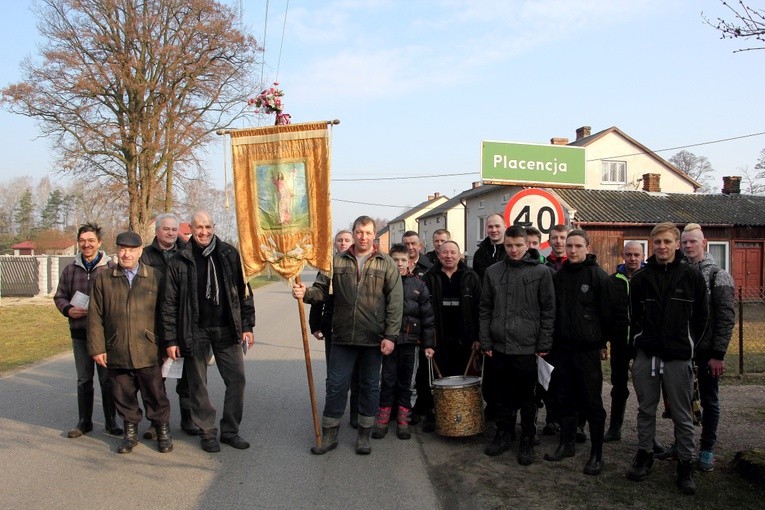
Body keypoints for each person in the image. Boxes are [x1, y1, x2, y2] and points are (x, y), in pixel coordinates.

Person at [292, 216, 403, 455]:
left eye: (368, 232)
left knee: (370, 387)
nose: (363, 236)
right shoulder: (336, 262)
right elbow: (321, 292)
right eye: (359, 232)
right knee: (336, 386)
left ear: (375, 235)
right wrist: (306, 292)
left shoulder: (386, 264)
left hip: (374, 339)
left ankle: (364, 436)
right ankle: (330, 435)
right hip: (342, 337)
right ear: (353, 233)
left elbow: (395, 304)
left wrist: (390, 336)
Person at [162, 211, 256, 453]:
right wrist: (171, 339)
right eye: (198, 227)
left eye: (207, 227)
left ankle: (230, 431)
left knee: (237, 380)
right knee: (198, 385)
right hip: (195, 331)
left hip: (227, 328)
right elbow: (169, 304)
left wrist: (247, 325)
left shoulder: (228, 254)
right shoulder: (180, 259)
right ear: (190, 229)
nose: (203, 232)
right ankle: (207, 432)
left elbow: (244, 291)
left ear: (214, 227)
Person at [627, 222, 708, 495]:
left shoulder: (692, 277)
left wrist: (688, 346)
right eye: (657, 242)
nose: (662, 247)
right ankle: (644, 454)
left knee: (683, 415)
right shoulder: (640, 278)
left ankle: (686, 463)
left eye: (667, 242)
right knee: (645, 410)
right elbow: (633, 317)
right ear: (652, 244)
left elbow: (702, 319)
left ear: (677, 244)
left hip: (677, 357)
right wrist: (638, 344)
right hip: (646, 354)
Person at [88, 231, 172, 454]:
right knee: (123, 394)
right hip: (118, 348)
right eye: (122, 249)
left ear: (140, 251)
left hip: (148, 347)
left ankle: (162, 431)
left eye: (132, 250)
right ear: (117, 251)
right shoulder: (104, 279)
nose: (126, 254)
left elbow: (165, 313)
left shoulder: (155, 276)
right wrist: (97, 348)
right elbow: (95, 316)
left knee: (155, 393)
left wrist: (166, 344)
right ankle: (130, 433)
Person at [480, 226, 554, 465]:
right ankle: (504, 433)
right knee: (501, 394)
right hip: (499, 346)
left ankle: (528, 438)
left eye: (518, 245)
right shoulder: (493, 272)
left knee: (527, 397)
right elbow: (485, 309)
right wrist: (486, 341)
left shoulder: (541, 272)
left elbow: (548, 310)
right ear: (504, 245)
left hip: (527, 346)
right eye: (509, 246)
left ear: (527, 245)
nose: (514, 250)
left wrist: (543, 342)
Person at [544, 229, 610, 476]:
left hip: (587, 350)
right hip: (562, 349)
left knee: (591, 402)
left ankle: (596, 454)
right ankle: (566, 443)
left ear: (587, 247)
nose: (572, 250)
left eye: (577, 246)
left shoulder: (598, 277)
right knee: (564, 398)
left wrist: (602, 343)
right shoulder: (559, 277)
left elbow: (607, 314)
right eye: (569, 246)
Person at [53, 222, 122, 439]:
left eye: (91, 240)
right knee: (84, 379)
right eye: (82, 241)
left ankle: (111, 421)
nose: (86, 244)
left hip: (103, 335)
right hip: (80, 333)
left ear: (99, 243)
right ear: (78, 243)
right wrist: (68, 309)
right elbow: (59, 296)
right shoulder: (70, 269)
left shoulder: (111, 269)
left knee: (106, 379)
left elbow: (120, 299)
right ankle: (84, 422)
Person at [139, 213, 201, 440]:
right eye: (166, 229)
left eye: (174, 229)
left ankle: (187, 418)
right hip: (153, 323)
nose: (171, 233)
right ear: (157, 231)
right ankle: (157, 422)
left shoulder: (188, 253)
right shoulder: (145, 256)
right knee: (156, 378)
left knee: (185, 377)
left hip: (183, 322)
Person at [681, 223, 734, 471]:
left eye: (693, 241)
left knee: (709, 401)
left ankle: (706, 449)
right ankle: (682, 445)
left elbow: (725, 317)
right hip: (682, 350)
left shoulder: (718, 275)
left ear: (704, 243)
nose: (688, 246)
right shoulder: (678, 272)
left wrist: (718, 354)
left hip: (707, 352)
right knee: (681, 402)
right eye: (685, 242)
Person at [373, 243, 435, 440]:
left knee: (406, 381)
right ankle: (383, 419)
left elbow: (427, 318)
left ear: (410, 262)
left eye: (403, 260)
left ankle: (403, 420)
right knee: (387, 380)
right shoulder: (381, 284)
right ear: (389, 261)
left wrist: (428, 344)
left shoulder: (419, 286)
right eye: (395, 260)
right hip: (388, 342)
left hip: (410, 341)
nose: (399, 264)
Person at [419, 240, 482, 432]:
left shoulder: (471, 276)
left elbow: (480, 308)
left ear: (459, 255)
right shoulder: (430, 277)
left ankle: (464, 417)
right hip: (438, 337)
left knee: (462, 379)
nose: (448, 256)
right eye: (444, 252)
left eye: (453, 252)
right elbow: (423, 308)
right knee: (435, 379)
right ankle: (434, 415)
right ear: (438, 255)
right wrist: (425, 338)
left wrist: (478, 338)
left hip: (465, 338)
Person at [308, 229, 360, 428]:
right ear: (335, 244)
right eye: (340, 240)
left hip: (357, 328)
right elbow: (317, 297)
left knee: (357, 374)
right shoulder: (327, 267)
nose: (343, 243)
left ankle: (355, 414)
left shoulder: (359, 266)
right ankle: (332, 414)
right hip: (332, 327)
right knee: (335, 374)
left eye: (347, 240)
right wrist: (315, 325)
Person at [604, 241, 645, 442]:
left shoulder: (648, 279)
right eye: (629, 254)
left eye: (637, 254)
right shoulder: (612, 281)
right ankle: (614, 428)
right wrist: (604, 342)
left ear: (643, 255)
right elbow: (605, 313)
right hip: (619, 342)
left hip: (643, 344)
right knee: (618, 387)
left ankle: (647, 435)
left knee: (645, 390)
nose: (633, 258)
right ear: (623, 255)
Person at [472, 213, 506, 279]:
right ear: (486, 229)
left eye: (497, 226)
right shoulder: (479, 254)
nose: (494, 230)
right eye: (490, 227)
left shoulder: (512, 252)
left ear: (505, 227)